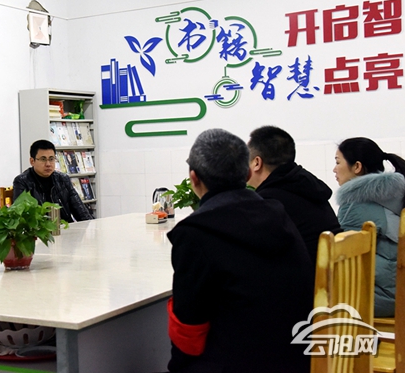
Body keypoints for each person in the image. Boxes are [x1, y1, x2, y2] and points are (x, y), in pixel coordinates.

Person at [167, 129, 312, 373]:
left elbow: (188, 329)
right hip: (297, 358)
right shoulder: (277, 214)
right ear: (247, 173)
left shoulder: (195, 233)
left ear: (194, 178)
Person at [247, 125, 341, 265]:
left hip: (307, 276)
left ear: (257, 162)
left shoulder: (270, 201)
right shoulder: (305, 186)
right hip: (335, 274)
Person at [333, 137, 405, 317]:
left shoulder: (354, 205)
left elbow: (343, 260)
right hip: (398, 291)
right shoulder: (395, 197)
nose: (334, 169)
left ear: (357, 167)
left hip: (382, 299)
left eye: (338, 162)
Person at [13, 140, 92, 222]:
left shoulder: (63, 179)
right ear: (32, 161)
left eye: (51, 159)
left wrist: (91, 225)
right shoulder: (22, 181)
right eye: (43, 159)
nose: (48, 164)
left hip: (65, 226)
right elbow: (21, 216)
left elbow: (81, 212)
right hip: (40, 228)